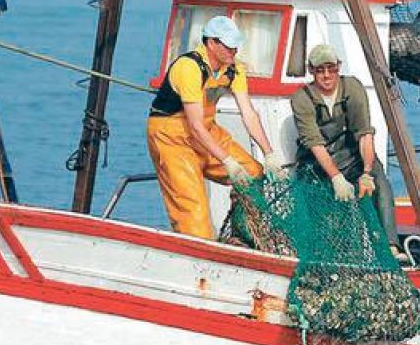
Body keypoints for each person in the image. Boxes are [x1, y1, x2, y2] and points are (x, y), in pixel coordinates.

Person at [147, 15, 284, 240]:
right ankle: (196, 255)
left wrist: (269, 154)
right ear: (211, 43)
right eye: (229, 47)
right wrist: (227, 161)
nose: (234, 52)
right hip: (172, 137)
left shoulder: (234, 70)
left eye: (236, 46)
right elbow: (194, 125)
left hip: (206, 131)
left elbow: (249, 114)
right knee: (195, 215)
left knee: (252, 173)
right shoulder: (189, 67)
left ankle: (242, 236)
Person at [289, 43, 397, 241]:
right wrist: (336, 177)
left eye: (332, 69)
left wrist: (366, 173)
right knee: (322, 202)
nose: (327, 75)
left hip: (350, 157)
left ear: (339, 67)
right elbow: (315, 144)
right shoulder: (301, 98)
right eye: (320, 70)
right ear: (311, 70)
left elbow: (364, 133)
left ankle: (390, 245)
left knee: (380, 182)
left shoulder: (352, 88)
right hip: (316, 163)